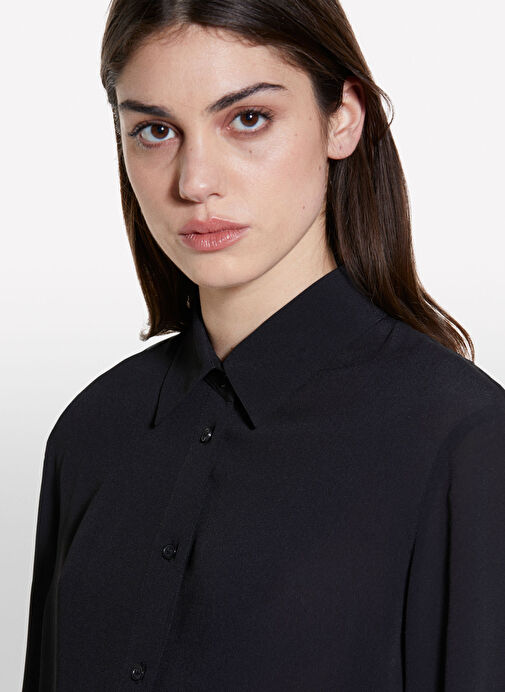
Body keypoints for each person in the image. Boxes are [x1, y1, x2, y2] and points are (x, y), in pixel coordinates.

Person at [22, 1, 505, 690]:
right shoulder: (91, 433)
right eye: (156, 130)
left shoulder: (462, 442)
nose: (195, 182)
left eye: (248, 119)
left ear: (342, 118)